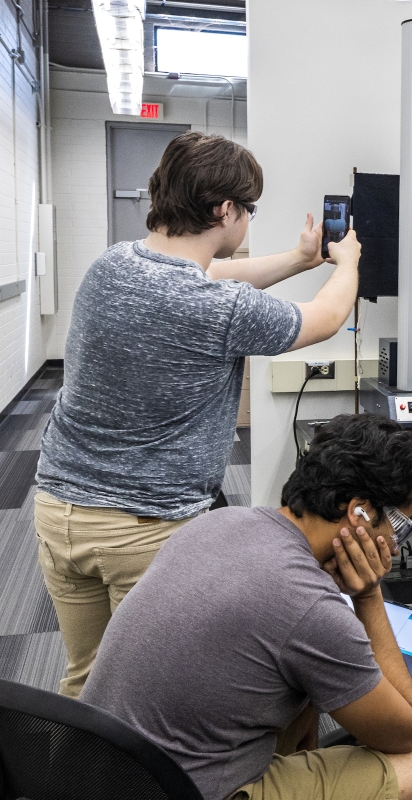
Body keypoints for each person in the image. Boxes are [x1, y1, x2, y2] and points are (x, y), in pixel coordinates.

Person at [33, 131, 362, 697]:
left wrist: (301, 259)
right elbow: (326, 319)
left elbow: (212, 275)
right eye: (249, 209)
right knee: (155, 692)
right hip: (141, 531)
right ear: (225, 209)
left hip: (57, 512)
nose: (248, 221)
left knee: (88, 684)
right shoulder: (216, 308)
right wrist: (347, 263)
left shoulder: (112, 265)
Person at [80, 414, 412, 800]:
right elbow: (404, 732)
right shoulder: (308, 604)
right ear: (360, 511)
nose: (396, 546)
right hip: (183, 790)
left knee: (304, 687)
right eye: (398, 527)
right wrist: (368, 597)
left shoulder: (221, 522)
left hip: (100, 771)